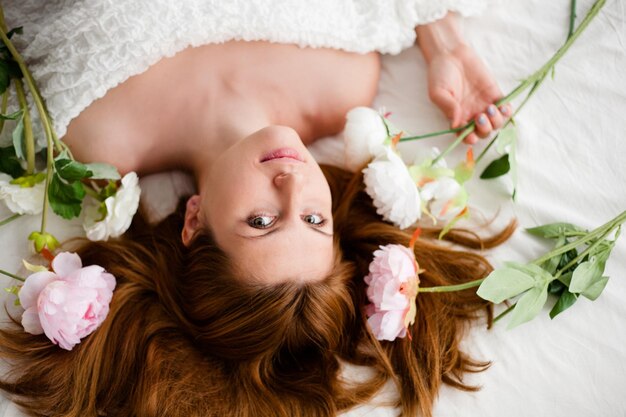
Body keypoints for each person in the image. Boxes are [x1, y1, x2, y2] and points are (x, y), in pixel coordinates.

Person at [0, 2, 513, 416]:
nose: (292, 184)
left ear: (195, 220)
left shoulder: (92, 132)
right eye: (314, 219)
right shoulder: (343, 82)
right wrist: (446, 42)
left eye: (262, 221)